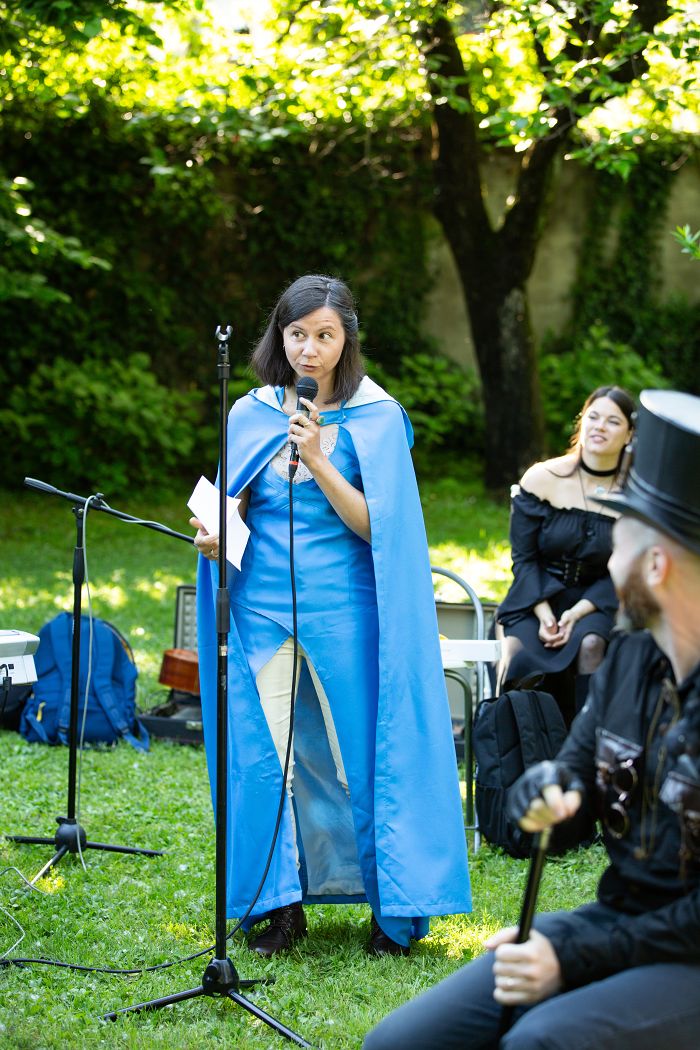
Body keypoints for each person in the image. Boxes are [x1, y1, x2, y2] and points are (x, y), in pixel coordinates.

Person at [363, 388, 700, 1050]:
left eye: (620, 539)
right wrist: (545, 794)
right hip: (621, 922)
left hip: (685, 953)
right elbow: (570, 775)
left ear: (656, 565)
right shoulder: (630, 659)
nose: (609, 559)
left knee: (539, 1040)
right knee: (397, 1043)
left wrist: (569, 955)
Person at [190, 274, 471, 959]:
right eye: (297, 334)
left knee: (363, 758)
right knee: (264, 760)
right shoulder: (251, 412)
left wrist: (317, 459)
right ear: (279, 336)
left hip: (347, 609)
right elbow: (236, 503)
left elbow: (382, 528)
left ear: (347, 340)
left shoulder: (378, 417)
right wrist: (217, 531)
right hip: (260, 607)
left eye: (324, 335)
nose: (308, 350)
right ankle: (277, 906)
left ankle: (392, 908)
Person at [495, 385, 635, 723]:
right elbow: (524, 559)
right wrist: (546, 615)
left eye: (613, 421)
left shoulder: (635, 495)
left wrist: (576, 613)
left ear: (630, 433)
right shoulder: (542, 478)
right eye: (593, 417)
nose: (600, 427)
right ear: (581, 422)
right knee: (519, 655)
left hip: (598, 600)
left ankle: (585, 746)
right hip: (534, 597)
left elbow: (625, 568)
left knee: (590, 645)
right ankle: (516, 749)